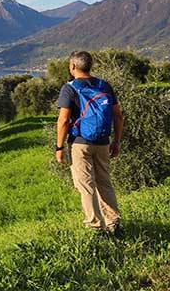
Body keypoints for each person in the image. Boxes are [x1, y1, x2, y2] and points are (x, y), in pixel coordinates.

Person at [54, 51, 124, 237]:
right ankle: (114, 222)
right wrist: (116, 141)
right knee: (104, 182)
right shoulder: (104, 85)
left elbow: (63, 120)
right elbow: (118, 115)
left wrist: (59, 147)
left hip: (80, 143)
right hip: (103, 142)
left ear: (73, 67)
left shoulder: (70, 88)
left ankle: (96, 227)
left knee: (86, 185)